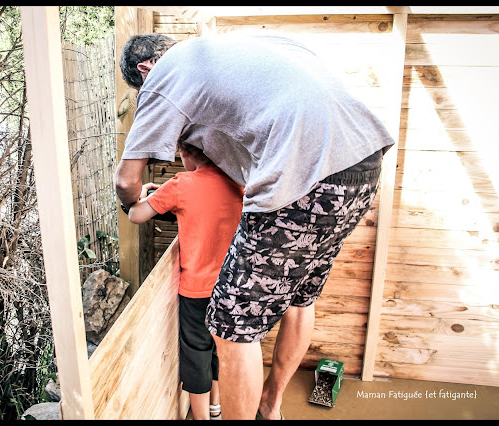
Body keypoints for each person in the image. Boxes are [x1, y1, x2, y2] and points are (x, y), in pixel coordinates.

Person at [115, 32, 395, 420]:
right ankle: (270, 405)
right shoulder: (237, 48)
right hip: (362, 168)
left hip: (302, 179)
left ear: (146, 69)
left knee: (230, 326)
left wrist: (134, 201)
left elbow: (126, 180)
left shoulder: (164, 75)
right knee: (300, 298)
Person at [125, 140, 244, 420]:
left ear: (188, 153)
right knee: (220, 348)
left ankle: (202, 418)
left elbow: (136, 215)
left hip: (197, 290)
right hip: (232, 288)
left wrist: (141, 194)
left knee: (196, 355)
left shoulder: (180, 184)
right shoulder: (238, 183)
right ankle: (217, 407)